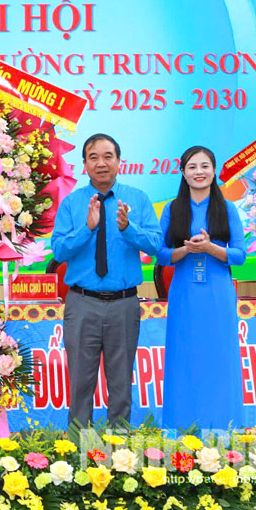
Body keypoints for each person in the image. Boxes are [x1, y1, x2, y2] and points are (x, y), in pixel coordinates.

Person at [50, 134, 162, 428]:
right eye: (94, 157)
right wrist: (87, 228)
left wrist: (129, 228)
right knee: (80, 383)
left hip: (123, 304)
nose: (101, 163)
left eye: (108, 156)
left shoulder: (137, 199)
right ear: (84, 164)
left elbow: (156, 245)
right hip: (82, 303)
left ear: (119, 161)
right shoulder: (72, 203)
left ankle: (119, 447)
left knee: (121, 382)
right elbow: (59, 251)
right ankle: (79, 447)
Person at [157, 146, 245, 430]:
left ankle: (224, 427)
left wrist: (210, 248)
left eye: (205, 166)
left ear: (214, 171)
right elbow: (160, 255)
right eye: (192, 167)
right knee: (183, 359)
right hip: (183, 295)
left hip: (218, 295)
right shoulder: (172, 209)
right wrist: (186, 250)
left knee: (220, 359)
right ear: (183, 173)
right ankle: (179, 427)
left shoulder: (227, 208)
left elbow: (239, 256)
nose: (199, 172)